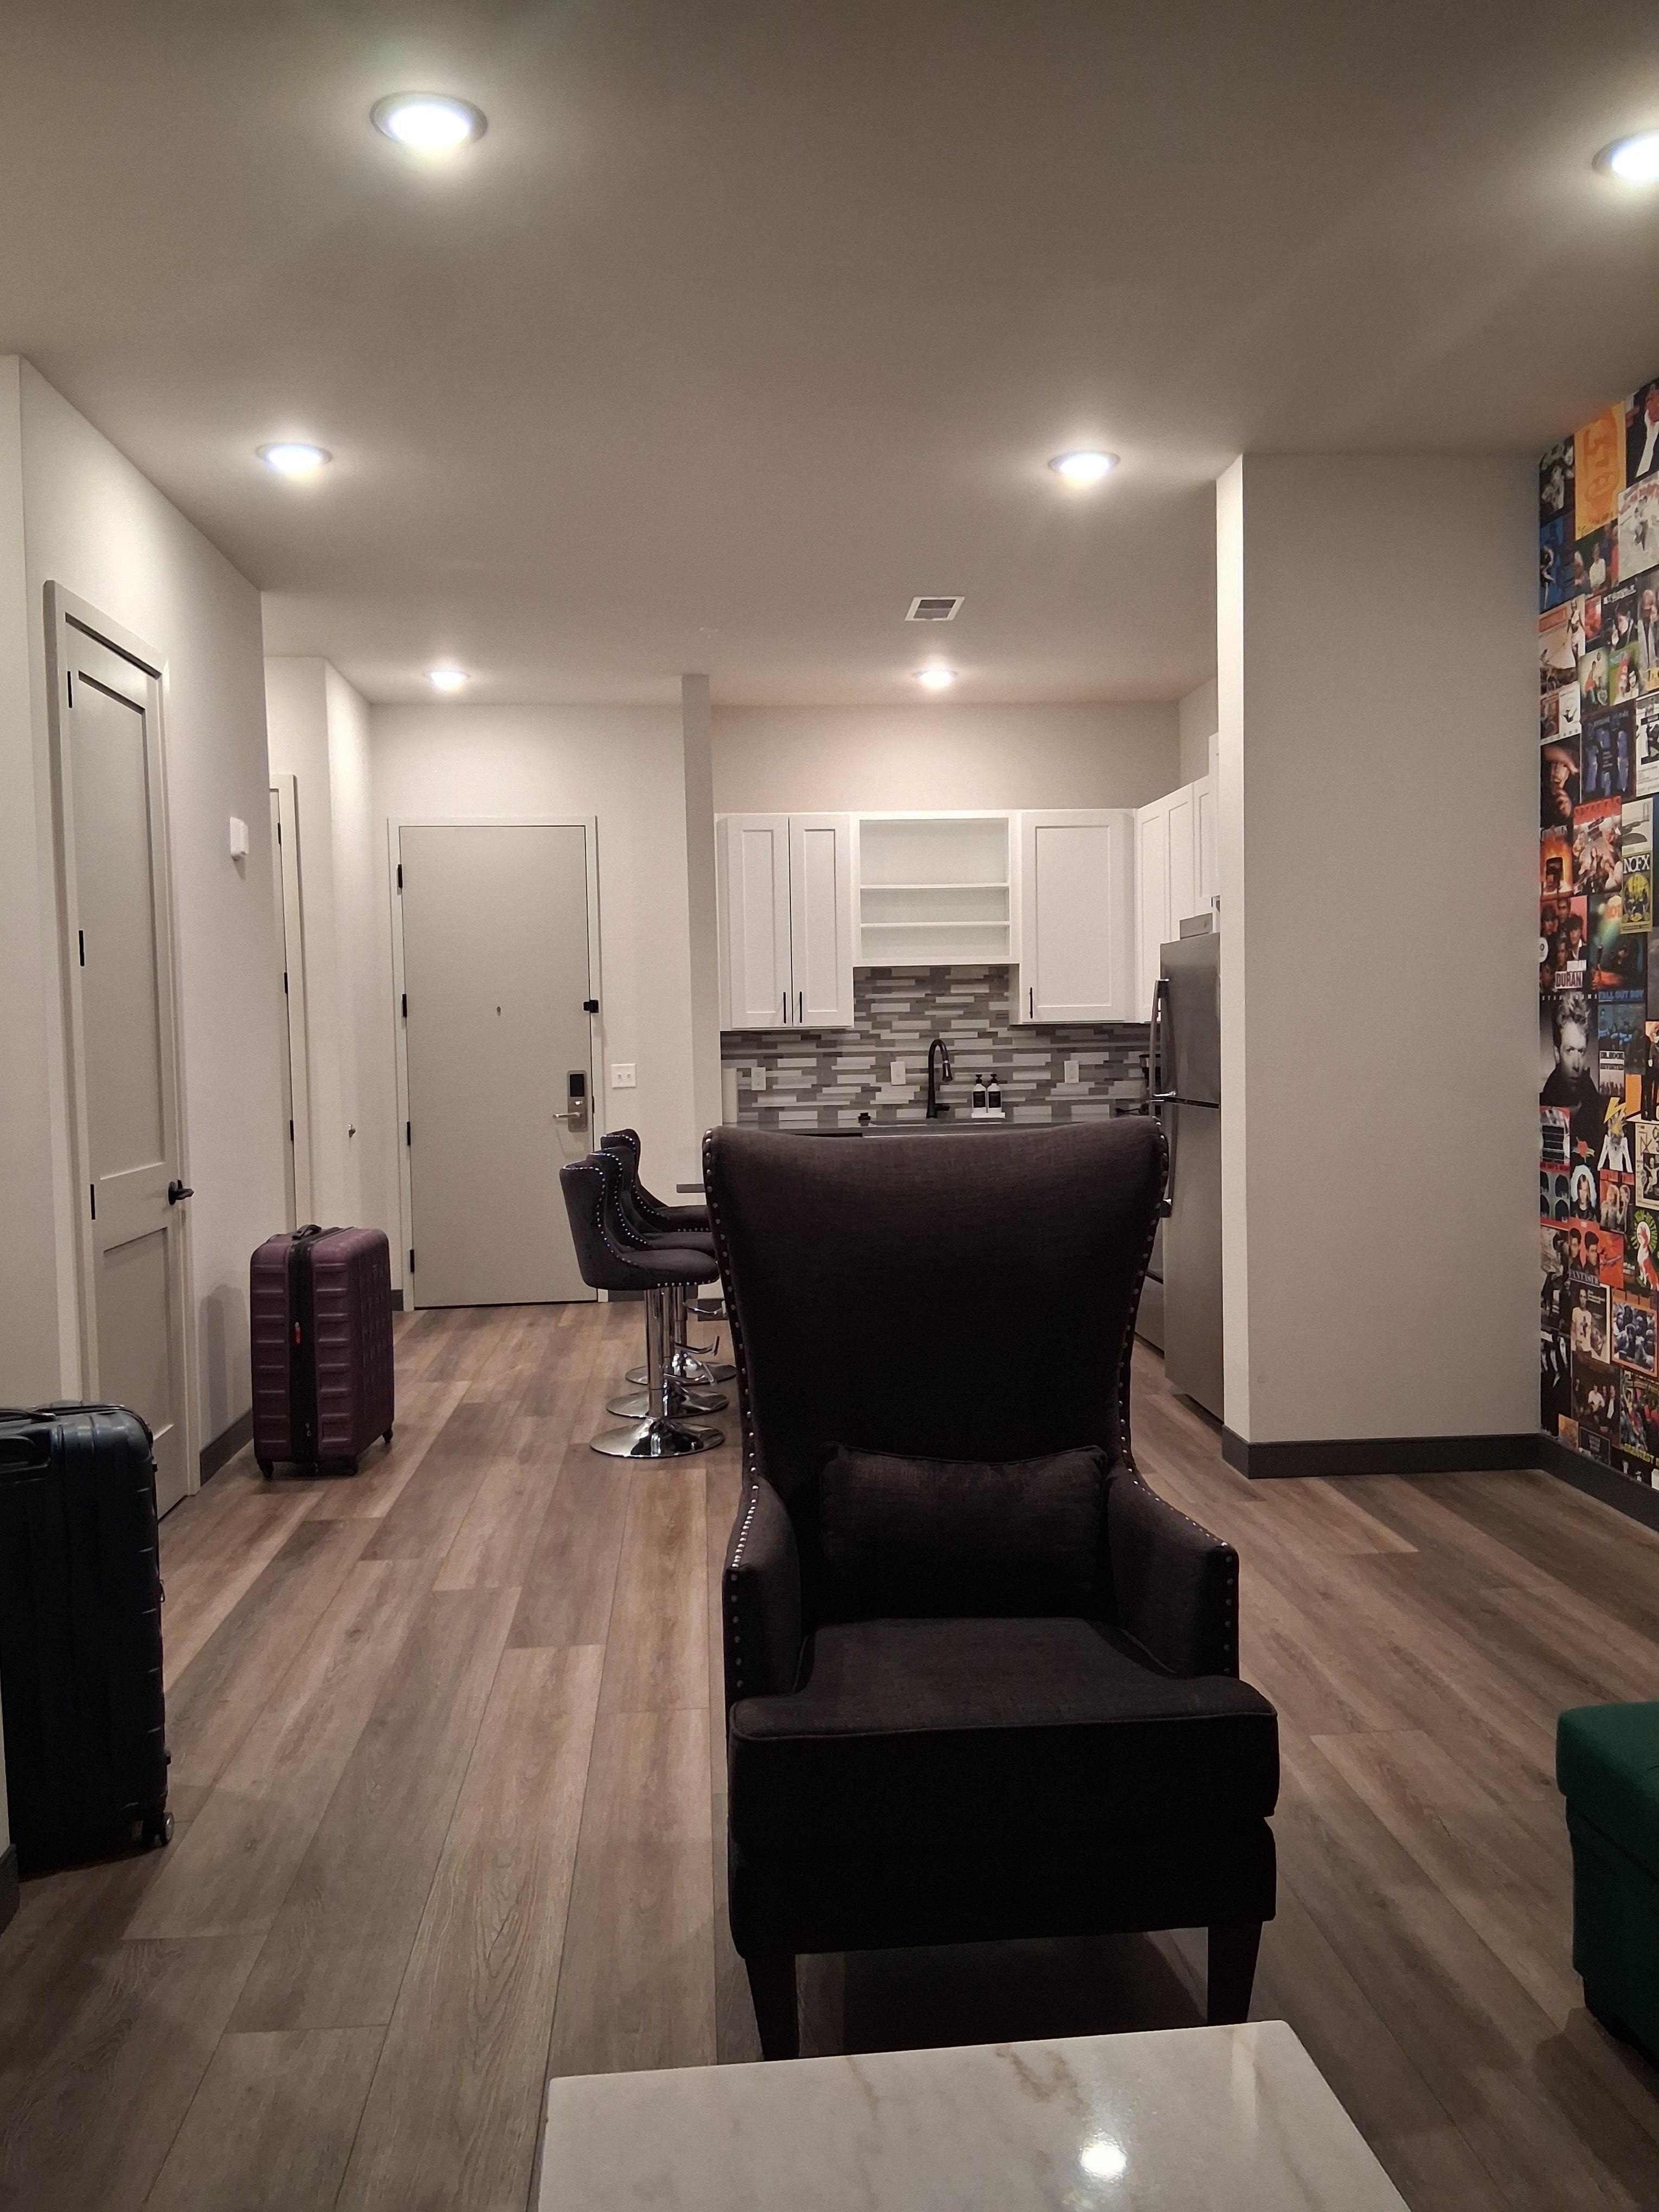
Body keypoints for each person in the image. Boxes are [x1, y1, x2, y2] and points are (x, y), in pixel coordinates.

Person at [1542, 995, 1604, 1166]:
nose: (1577, 1064)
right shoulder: (1540, 1106)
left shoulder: (1600, 1109)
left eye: (1581, 1051)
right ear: (1557, 1054)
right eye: (1569, 1050)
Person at [1631, 380, 1659, 483]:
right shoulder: (1637, 441)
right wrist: (1651, 435)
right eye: (1650, 400)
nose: (1657, 405)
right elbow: (1641, 482)